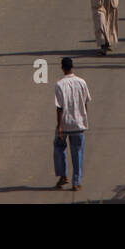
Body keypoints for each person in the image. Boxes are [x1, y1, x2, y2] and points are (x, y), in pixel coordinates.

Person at [53, 58, 90, 191]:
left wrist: (60, 126)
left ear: (62, 68)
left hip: (65, 123)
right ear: (72, 67)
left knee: (59, 148)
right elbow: (85, 102)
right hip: (79, 124)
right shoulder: (82, 82)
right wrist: (83, 117)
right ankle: (76, 181)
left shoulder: (59, 84)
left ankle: (63, 175)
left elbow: (59, 107)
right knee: (78, 152)